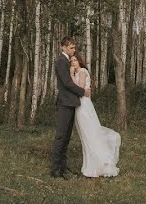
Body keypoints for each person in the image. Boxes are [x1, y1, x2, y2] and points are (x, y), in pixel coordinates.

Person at [70, 53, 120, 177]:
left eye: (75, 60)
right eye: (71, 61)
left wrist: (71, 75)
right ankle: (91, 165)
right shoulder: (78, 73)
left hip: (83, 107)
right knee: (86, 136)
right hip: (81, 106)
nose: (73, 63)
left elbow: (80, 90)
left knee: (90, 135)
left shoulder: (81, 72)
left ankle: (97, 165)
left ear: (80, 61)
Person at [50, 36, 89, 178]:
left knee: (66, 137)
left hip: (70, 103)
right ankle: (55, 170)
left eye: (74, 47)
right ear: (63, 47)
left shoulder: (66, 61)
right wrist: (83, 91)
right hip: (65, 103)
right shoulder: (61, 61)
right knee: (61, 137)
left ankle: (63, 166)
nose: (74, 49)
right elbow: (67, 82)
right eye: (71, 47)